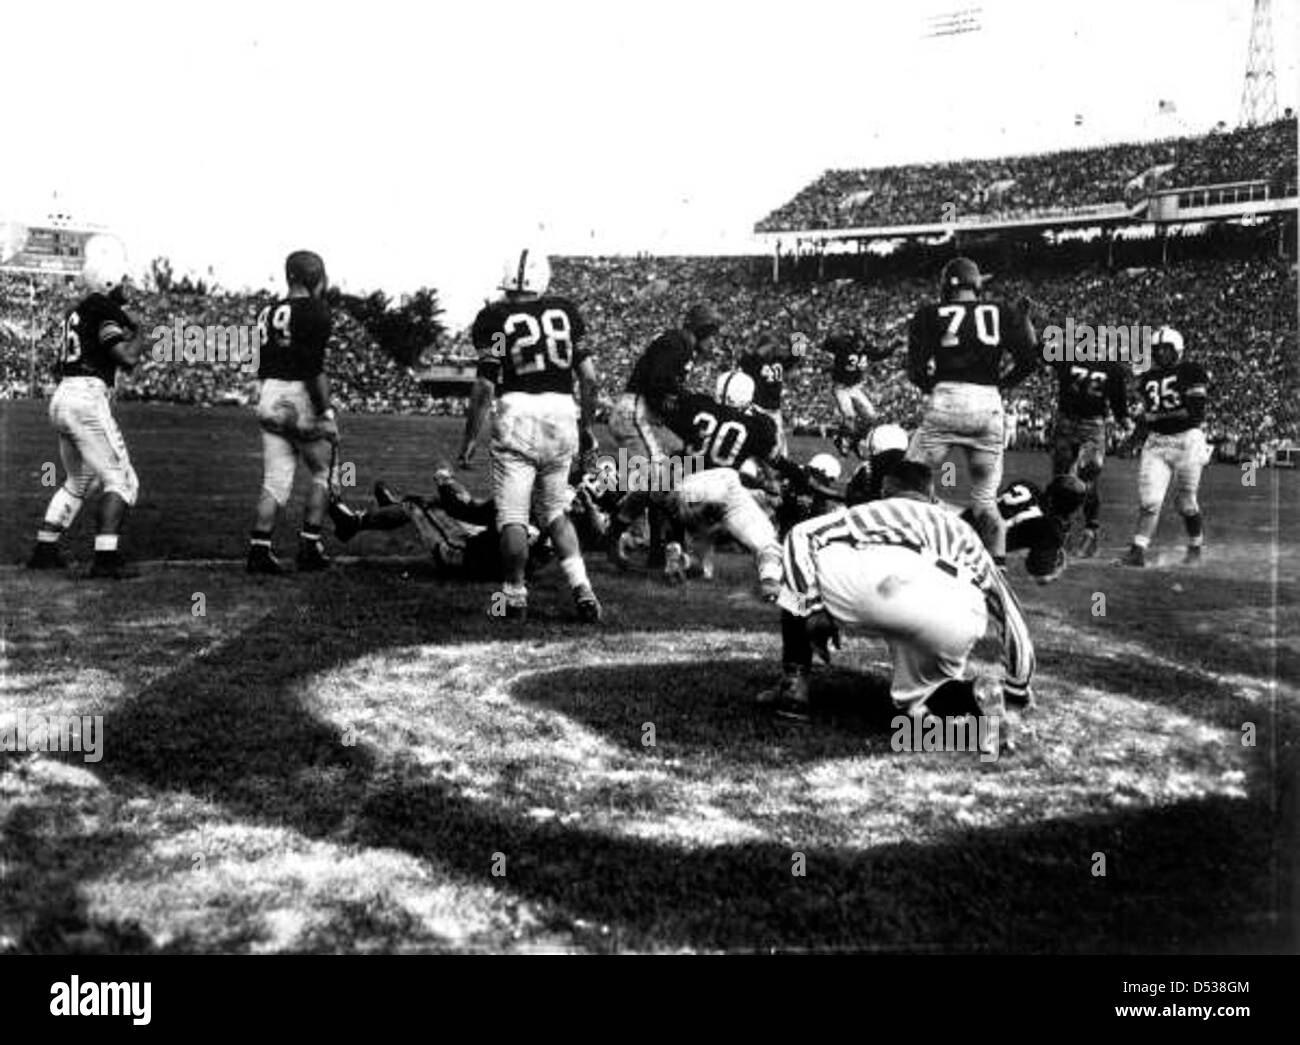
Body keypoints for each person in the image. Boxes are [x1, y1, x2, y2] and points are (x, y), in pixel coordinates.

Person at [759, 459, 1035, 725]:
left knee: (801, 555)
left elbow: (800, 535)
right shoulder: (963, 531)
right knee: (919, 705)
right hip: (954, 613)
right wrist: (1018, 686)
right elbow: (1007, 607)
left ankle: (794, 686)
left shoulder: (879, 509)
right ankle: (974, 696)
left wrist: (812, 607)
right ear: (931, 494)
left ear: (886, 489)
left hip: (879, 590)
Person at [457, 248, 601, 622]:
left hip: (518, 413)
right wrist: (585, 426)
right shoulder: (565, 312)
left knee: (514, 516)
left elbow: (486, 385)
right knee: (554, 511)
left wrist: (470, 439)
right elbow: (589, 377)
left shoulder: (496, 318)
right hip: (562, 414)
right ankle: (582, 589)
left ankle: (514, 596)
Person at [904, 256, 1039, 566]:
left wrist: (934, 387)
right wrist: (1001, 384)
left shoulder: (928, 314)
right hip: (988, 405)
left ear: (945, 286)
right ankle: (999, 577)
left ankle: (915, 559)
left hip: (946, 401)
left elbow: (915, 370)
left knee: (909, 482)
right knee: (985, 502)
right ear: (976, 284)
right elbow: (1030, 360)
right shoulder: (1001, 310)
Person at [28, 236, 143, 578]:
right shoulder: (104, 309)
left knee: (79, 481)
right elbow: (126, 360)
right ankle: (106, 559)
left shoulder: (76, 311)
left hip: (64, 394)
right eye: (123, 280)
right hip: (86, 399)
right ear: (110, 283)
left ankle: (45, 548)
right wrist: (140, 332)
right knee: (123, 483)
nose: (128, 286)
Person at [246, 250, 339, 574]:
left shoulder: (267, 311)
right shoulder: (317, 311)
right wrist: (326, 414)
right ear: (315, 278)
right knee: (322, 472)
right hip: (298, 394)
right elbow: (314, 370)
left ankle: (259, 548)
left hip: (269, 394)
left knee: (275, 479)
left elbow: (259, 360)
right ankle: (309, 546)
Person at [608, 302, 722, 567]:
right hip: (635, 413)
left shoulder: (679, 344)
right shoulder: (678, 343)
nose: (714, 342)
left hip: (641, 415)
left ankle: (648, 545)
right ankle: (621, 535)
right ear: (703, 329)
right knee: (657, 481)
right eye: (713, 334)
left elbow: (662, 388)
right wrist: (683, 400)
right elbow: (657, 383)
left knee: (664, 480)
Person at [1115, 326, 1211, 567]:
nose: (1160, 354)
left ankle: (1195, 547)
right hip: (1156, 443)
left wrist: (1156, 418)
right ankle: (1137, 552)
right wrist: (1132, 441)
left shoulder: (1192, 370)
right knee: (1149, 502)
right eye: (1157, 350)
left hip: (1186, 441)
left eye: (1165, 349)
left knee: (1186, 502)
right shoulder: (1147, 377)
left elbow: (1195, 414)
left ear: (1177, 349)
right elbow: (1148, 417)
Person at [1050, 356, 1129, 558]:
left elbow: (1118, 400)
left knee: (1087, 478)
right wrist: (1123, 419)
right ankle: (1063, 529)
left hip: (1088, 425)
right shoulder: (1111, 367)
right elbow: (1119, 403)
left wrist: (1123, 418)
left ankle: (1090, 531)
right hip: (1069, 422)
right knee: (1063, 479)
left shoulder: (1068, 356)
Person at [735, 331, 805, 456]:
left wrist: (796, 340)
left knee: (778, 438)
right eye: (771, 346)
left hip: (774, 408)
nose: (775, 349)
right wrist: (771, 343)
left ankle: (782, 464)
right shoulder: (753, 361)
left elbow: (795, 358)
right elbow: (750, 358)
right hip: (758, 407)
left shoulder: (777, 360)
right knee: (755, 438)